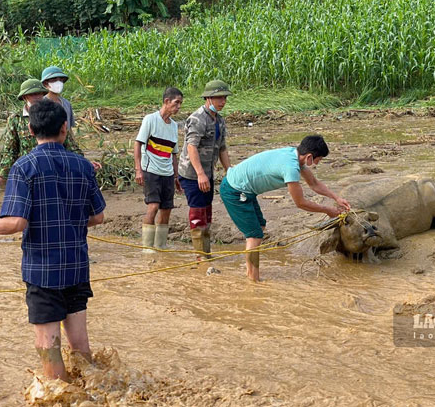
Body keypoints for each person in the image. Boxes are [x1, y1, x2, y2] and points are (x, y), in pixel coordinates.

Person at [0, 99, 106, 381]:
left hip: (43, 273)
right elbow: (98, 217)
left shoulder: (24, 167)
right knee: (80, 346)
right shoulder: (82, 165)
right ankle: (98, 391)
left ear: (30, 130)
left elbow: (16, 222)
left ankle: (61, 398)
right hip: (77, 267)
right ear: (65, 128)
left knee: (47, 347)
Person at [220, 135, 351, 282]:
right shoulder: (290, 167)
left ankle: (250, 270)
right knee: (255, 235)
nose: (317, 164)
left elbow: (313, 183)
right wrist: (327, 210)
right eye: (317, 160)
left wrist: (336, 198)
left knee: (260, 227)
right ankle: (253, 281)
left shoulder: (293, 155)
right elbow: (300, 203)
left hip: (246, 190)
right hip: (235, 190)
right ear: (309, 157)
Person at [0, 79, 82, 191]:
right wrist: (1, 176)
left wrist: (82, 162)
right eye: (32, 94)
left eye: (39, 93)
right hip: (29, 171)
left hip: (55, 170)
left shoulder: (54, 114)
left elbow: (70, 144)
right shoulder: (16, 119)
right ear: (24, 97)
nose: (37, 97)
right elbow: (10, 149)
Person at [177, 80, 232, 259]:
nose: (222, 101)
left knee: (207, 213)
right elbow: (191, 146)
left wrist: (229, 170)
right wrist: (200, 174)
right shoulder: (197, 118)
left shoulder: (219, 121)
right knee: (198, 213)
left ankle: (205, 253)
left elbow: (222, 148)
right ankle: (201, 257)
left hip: (207, 173)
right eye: (218, 98)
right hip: (192, 174)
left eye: (224, 98)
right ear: (208, 98)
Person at [134, 87, 183, 250]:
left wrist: (177, 177)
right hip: (150, 170)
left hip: (167, 172)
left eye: (180, 104)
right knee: (153, 206)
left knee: (167, 209)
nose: (178, 107)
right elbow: (138, 143)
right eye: (176, 103)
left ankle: (160, 246)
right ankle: (147, 248)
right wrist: (138, 169)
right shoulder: (150, 119)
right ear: (166, 101)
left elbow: (173, 154)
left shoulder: (174, 126)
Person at [41, 65, 101, 171]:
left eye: (60, 80)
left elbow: (69, 132)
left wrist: (81, 160)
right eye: (54, 79)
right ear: (46, 84)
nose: (58, 82)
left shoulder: (66, 104)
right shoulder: (41, 105)